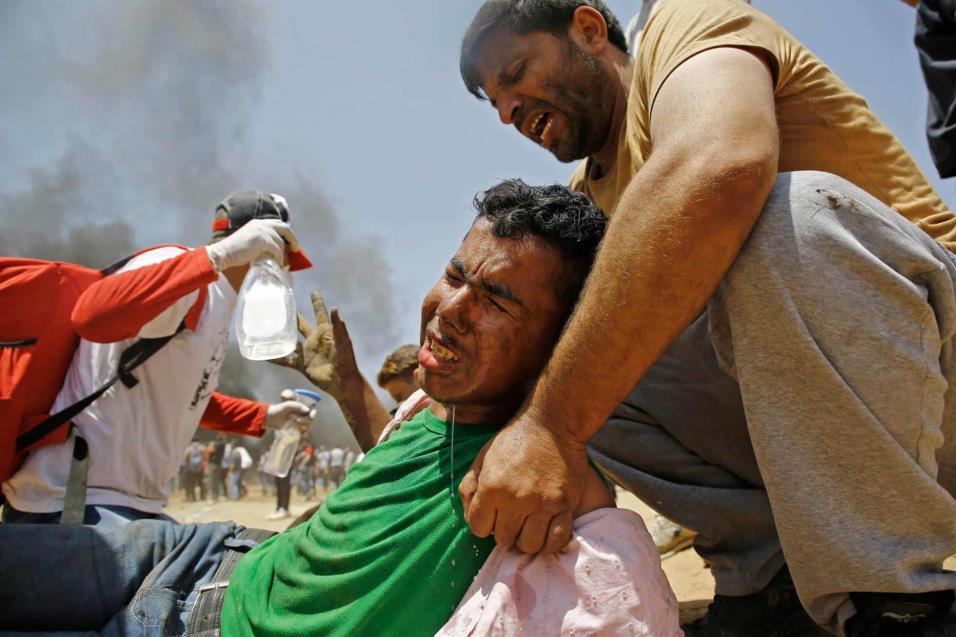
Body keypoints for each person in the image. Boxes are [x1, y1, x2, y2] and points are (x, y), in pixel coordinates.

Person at [459, 1, 956, 635]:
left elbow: (725, 165)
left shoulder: (684, 22)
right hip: (833, 455)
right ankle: (769, 578)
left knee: (781, 216)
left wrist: (554, 425)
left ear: (587, 29)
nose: (507, 112)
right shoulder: (591, 199)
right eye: (494, 103)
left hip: (937, 371)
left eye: (516, 72)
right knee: (573, 341)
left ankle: (898, 598)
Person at [0, 180, 681, 637]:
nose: (449, 311)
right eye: (453, 275)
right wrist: (347, 385)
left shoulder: (541, 479)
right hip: (203, 549)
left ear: (565, 336)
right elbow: (389, 468)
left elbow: (612, 590)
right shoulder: (429, 404)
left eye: (497, 300)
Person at [1, 191, 314, 526]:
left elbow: (184, 395)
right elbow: (91, 316)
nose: (286, 271)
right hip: (74, 500)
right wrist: (215, 257)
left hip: (126, 503)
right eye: (285, 258)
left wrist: (267, 416)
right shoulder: (183, 273)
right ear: (265, 245)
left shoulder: (218, 301)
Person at [182, 439, 207, 503]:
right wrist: (204, 467)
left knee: (192, 483)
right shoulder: (202, 447)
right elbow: (205, 457)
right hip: (200, 467)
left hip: (191, 468)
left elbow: (186, 457)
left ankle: (193, 498)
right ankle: (202, 497)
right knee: (201, 483)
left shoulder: (189, 448)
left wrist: (186, 465)